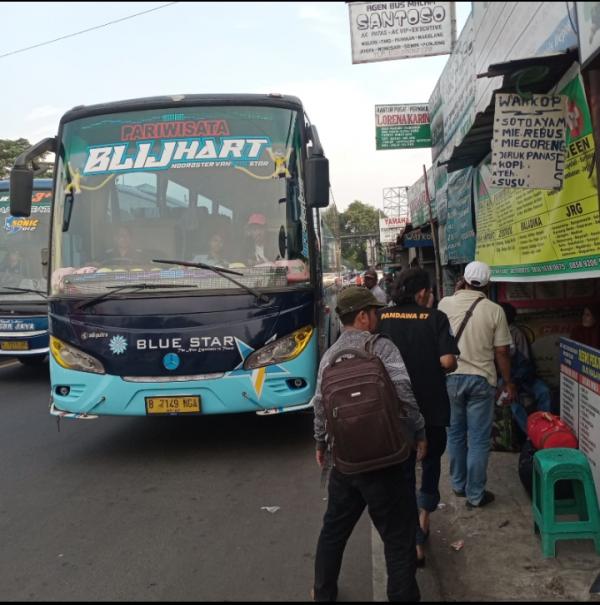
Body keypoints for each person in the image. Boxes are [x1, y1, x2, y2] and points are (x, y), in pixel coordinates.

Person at [312, 286, 426, 602]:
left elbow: (320, 406)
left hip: (346, 463)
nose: (377, 317)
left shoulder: (329, 357)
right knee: (398, 537)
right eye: (374, 312)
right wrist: (419, 433)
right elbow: (405, 397)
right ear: (363, 316)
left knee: (334, 532)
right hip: (387, 460)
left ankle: (323, 594)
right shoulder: (383, 348)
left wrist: (321, 443)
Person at [377, 268, 459, 567]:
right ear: (422, 292)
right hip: (431, 408)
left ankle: (412, 539)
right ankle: (423, 520)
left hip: (392, 411)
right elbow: (448, 361)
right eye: (430, 291)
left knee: (402, 471)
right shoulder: (436, 318)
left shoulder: (382, 318)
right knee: (431, 463)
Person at [438, 261, 516, 509]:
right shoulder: (495, 310)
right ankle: (475, 494)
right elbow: (502, 351)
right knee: (480, 440)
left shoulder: (444, 304)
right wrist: (508, 382)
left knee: (456, 435)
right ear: (488, 283)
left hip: (451, 379)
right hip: (482, 381)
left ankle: (459, 485)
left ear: (463, 279)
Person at [498, 302, 552, 435]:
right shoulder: (492, 333)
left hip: (523, 378)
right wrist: (508, 383)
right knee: (512, 403)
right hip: (503, 379)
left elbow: (526, 364)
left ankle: (545, 428)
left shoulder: (516, 334)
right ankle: (532, 435)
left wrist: (514, 382)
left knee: (544, 392)